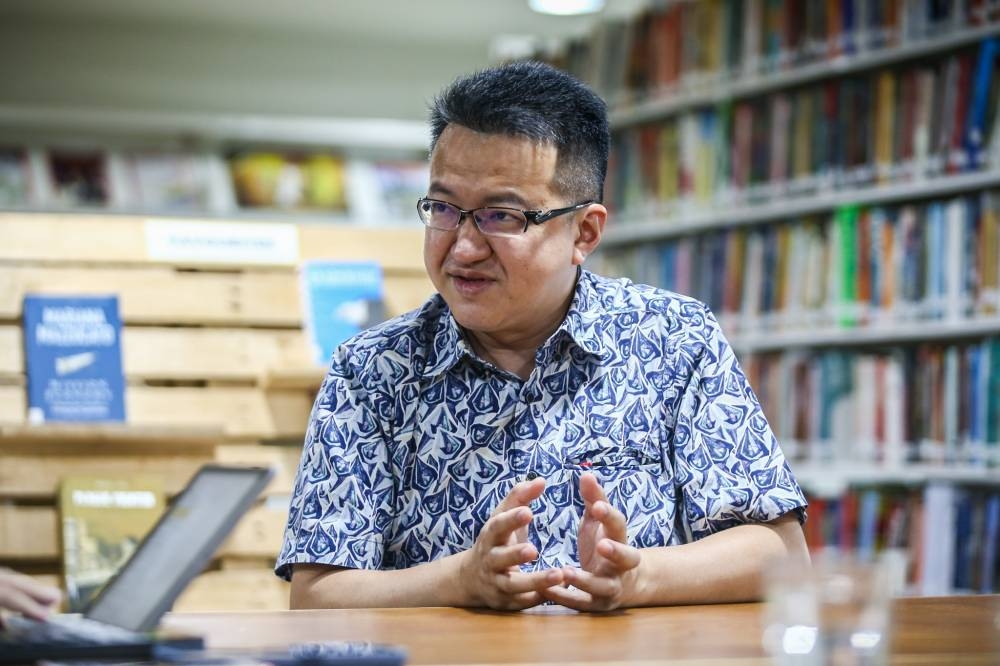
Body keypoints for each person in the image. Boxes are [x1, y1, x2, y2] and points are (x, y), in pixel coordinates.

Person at [276, 61, 809, 612]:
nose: (461, 248)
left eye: (501, 216)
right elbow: (317, 595)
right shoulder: (372, 370)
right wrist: (461, 580)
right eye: (442, 208)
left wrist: (642, 577)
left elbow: (780, 551)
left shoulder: (673, 339)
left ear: (585, 232)